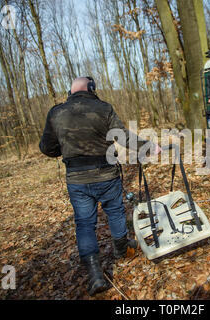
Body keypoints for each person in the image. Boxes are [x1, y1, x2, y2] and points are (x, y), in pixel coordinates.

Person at [39, 76, 160, 296]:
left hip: (77, 178)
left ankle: (95, 275)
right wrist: (149, 146)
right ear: (91, 88)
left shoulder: (56, 113)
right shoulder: (103, 108)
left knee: (85, 224)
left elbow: (47, 147)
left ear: (71, 91)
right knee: (114, 212)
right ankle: (121, 248)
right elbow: (123, 138)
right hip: (106, 174)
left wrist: (66, 151)